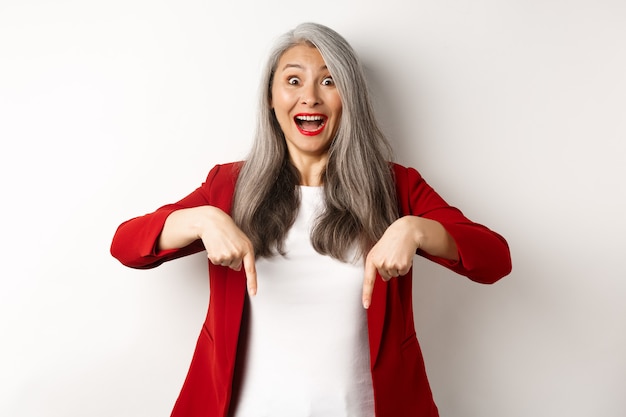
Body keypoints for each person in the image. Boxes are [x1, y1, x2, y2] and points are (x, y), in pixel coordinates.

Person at [110, 22, 512, 417]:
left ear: (349, 97)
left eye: (328, 81)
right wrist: (201, 220)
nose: (310, 98)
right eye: (293, 80)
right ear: (270, 96)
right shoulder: (229, 186)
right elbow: (126, 246)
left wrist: (417, 229)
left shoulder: (396, 187)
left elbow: (495, 260)